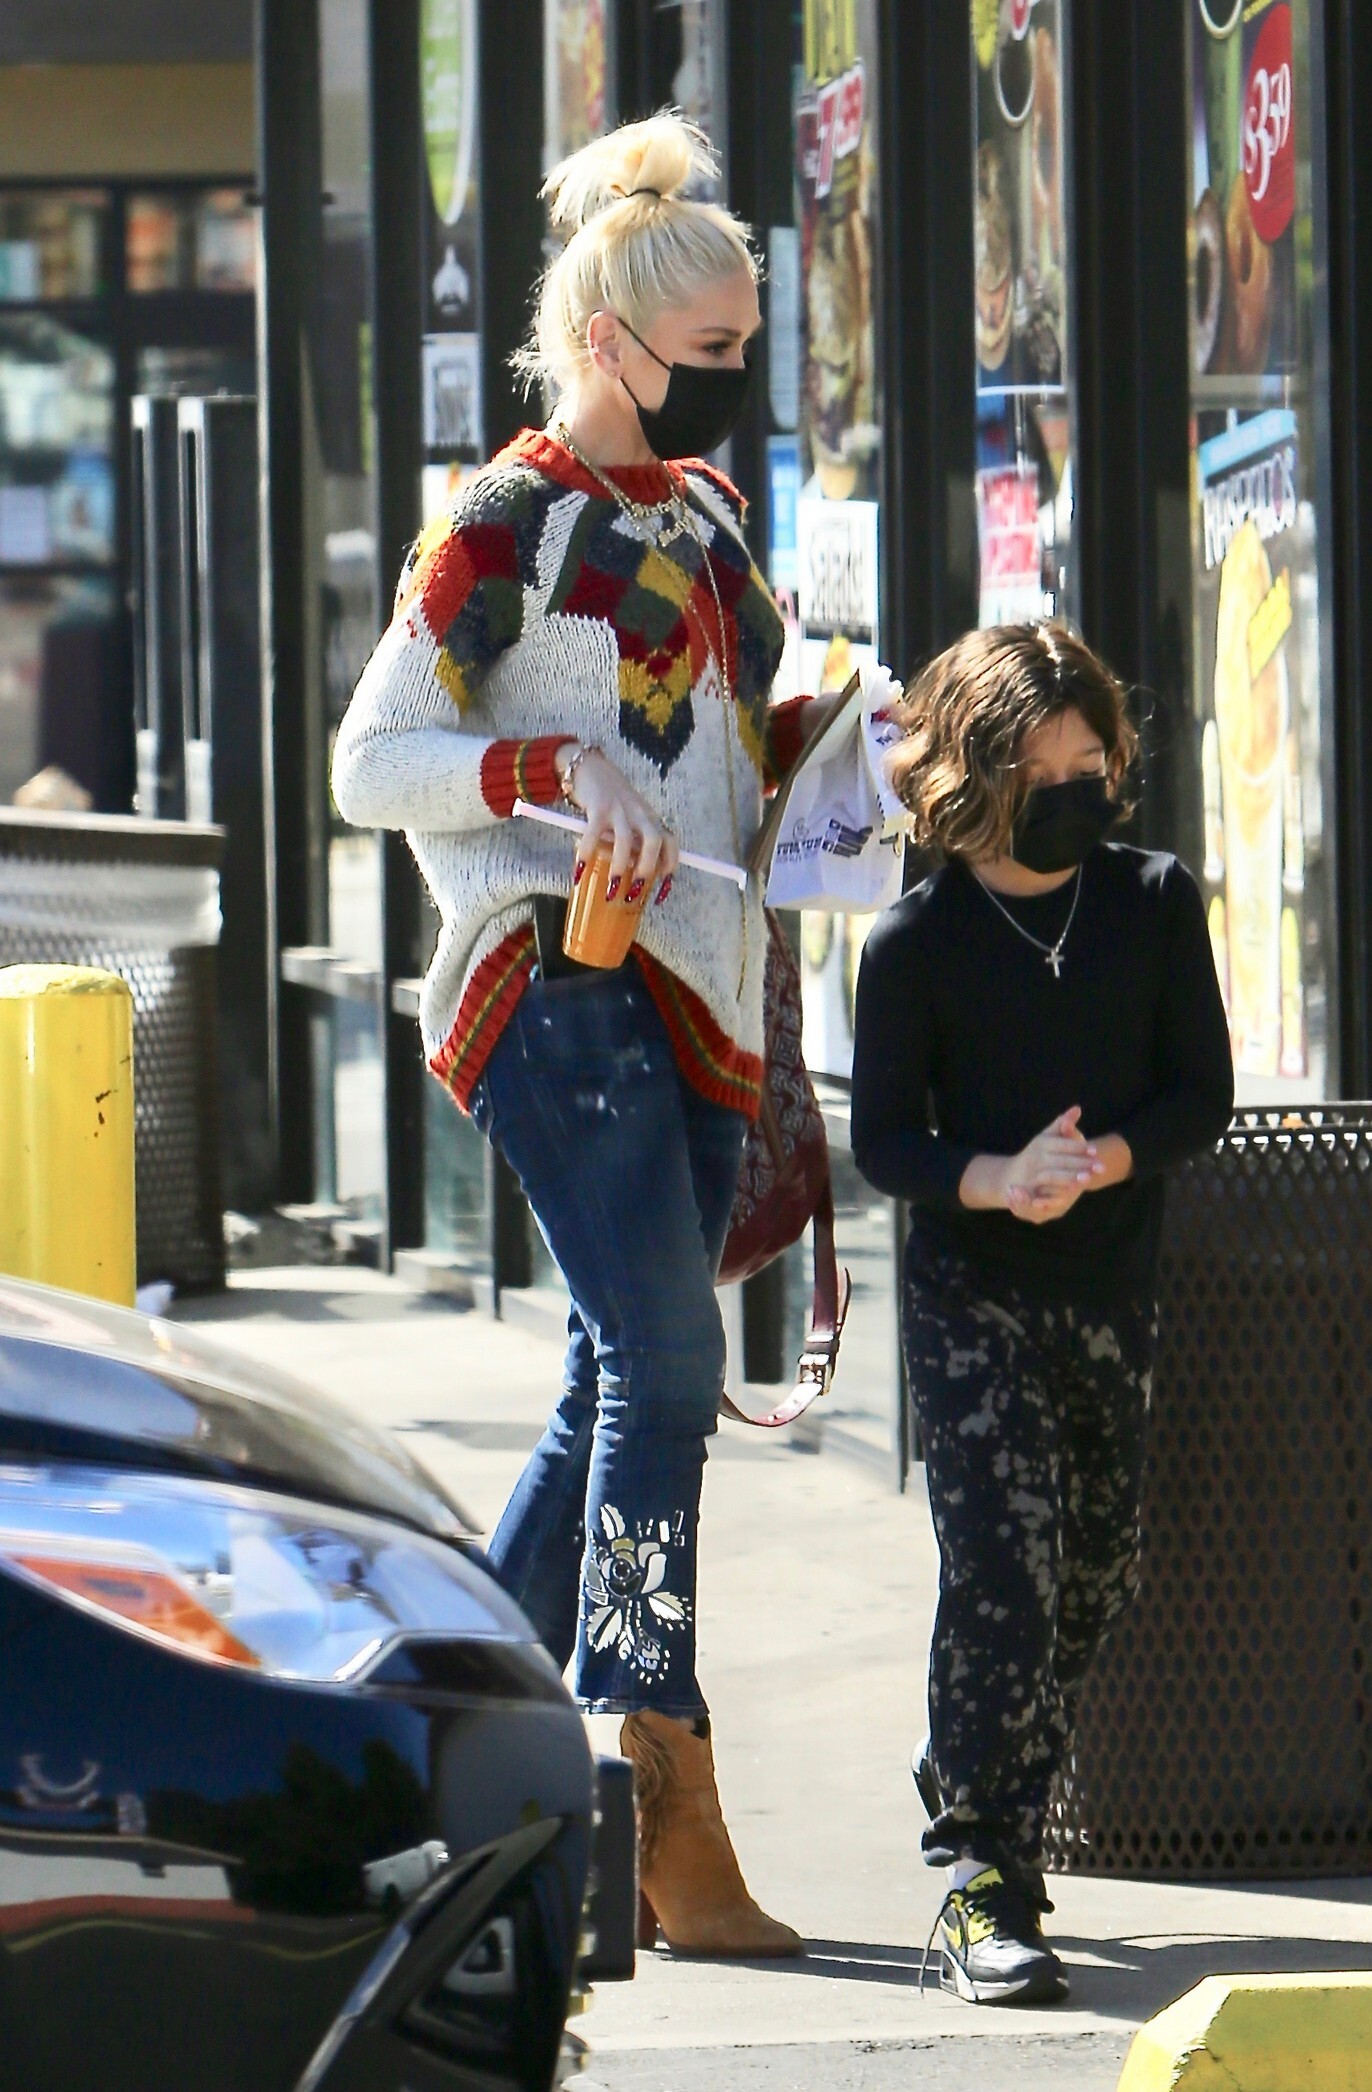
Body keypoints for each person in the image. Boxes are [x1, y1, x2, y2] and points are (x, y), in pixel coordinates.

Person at [332, 113, 818, 1959]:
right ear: (610, 341)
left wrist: (835, 761)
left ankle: (428, 1743)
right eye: (712, 352)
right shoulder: (500, 527)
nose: (736, 379)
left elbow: (733, 736)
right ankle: (651, 1758)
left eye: (748, 347)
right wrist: (544, 765)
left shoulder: (708, 519)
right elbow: (370, 763)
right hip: (552, 976)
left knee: (614, 1375)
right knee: (666, 1359)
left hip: (699, 983)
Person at [850, 621, 1233, 2005]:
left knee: (1095, 1574)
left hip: (1109, 1286)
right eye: (1045, 773)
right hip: (971, 1290)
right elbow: (883, 1141)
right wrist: (998, 1179)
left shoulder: (1153, 900)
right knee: (1002, 1570)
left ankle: (969, 1763)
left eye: (1094, 769)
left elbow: (1202, 1094)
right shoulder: (915, 942)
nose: (1077, 795)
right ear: (975, 776)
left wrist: (1102, 1163)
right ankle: (983, 1873)